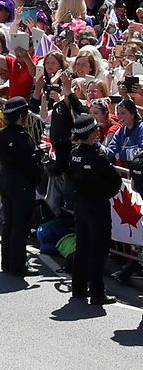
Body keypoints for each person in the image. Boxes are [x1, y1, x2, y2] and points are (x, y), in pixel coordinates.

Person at [68, 114, 121, 305]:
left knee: (82, 247)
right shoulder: (97, 156)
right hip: (96, 206)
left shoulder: (73, 152)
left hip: (81, 204)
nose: (99, 130)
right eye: (96, 129)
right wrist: (103, 193)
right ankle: (97, 293)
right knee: (98, 249)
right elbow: (115, 181)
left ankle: (79, 289)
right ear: (91, 134)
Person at [0, 96, 42, 276]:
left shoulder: (0, 134)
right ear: (22, 116)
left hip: (5, 179)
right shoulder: (24, 138)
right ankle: (18, 265)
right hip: (21, 184)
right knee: (20, 226)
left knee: (9, 222)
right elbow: (29, 165)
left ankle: (6, 262)